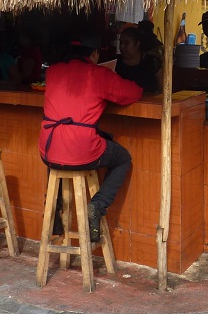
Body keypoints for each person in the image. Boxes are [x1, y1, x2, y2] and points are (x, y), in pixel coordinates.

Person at [39, 35, 142, 242]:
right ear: (95, 54)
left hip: (47, 147)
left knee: (59, 153)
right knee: (123, 159)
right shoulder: (99, 74)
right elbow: (133, 93)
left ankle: (54, 207)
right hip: (81, 150)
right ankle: (97, 205)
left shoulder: (53, 71)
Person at [115, 26, 162, 93]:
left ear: (137, 44)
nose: (122, 47)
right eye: (120, 43)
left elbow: (163, 88)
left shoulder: (151, 62)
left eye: (126, 43)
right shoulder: (116, 62)